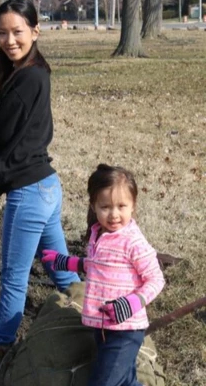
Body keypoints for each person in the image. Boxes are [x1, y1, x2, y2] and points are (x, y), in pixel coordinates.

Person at [0, 0, 80, 383]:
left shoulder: (29, 77)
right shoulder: (29, 72)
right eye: (2, 33)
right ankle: (88, 326)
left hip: (29, 193)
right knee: (59, 267)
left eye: (17, 32)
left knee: (14, 279)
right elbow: (7, 112)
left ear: (35, 31)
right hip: (46, 186)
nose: (9, 40)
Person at [42, 163, 165, 386]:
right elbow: (95, 266)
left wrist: (132, 303)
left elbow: (156, 279)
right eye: (106, 207)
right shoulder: (99, 235)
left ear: (133, 206)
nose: (114, 214)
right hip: (103, 327)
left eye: (121, 206)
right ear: (94, 206)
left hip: (126, 330)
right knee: (126, 381)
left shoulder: (133, 242)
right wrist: (65, 262)